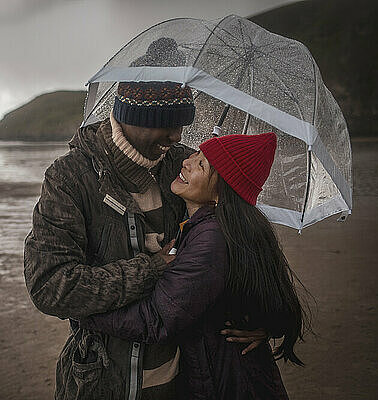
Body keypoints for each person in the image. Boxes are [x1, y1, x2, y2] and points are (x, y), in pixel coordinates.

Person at [24, 38, 269, 399]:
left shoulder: (184, 169)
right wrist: (151, 269)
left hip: (188, 380)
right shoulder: (70, 178)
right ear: (130, 117)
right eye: (165, 124)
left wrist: (264, 317)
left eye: (181, 123)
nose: (177, 136)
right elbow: (50, 287)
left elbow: (237, 245)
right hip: (102, 382)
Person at [80, 132, 311, 399]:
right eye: (196, 154)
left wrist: (83, 310)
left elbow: (156, 319)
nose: (187, 162)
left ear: (221, 193)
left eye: (202, 165)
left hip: (227, 384)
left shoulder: (211, 239)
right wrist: (267, 324)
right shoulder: (215, 227)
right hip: (230, 374)